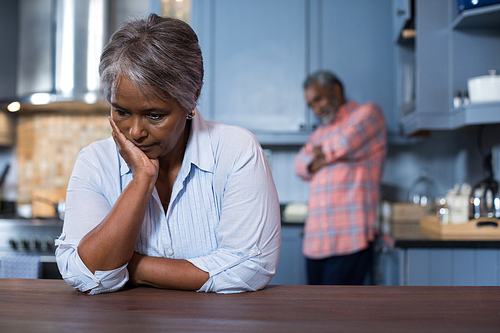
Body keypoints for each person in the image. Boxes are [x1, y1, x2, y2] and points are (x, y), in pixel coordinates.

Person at [55, 14, 281, 295]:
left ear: (191, 97)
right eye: (121, 112)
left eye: (154, 115)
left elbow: (250, 267)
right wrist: (141, 180)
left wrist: (127, 265)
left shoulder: (236, 151)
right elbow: (84, 277)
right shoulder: (95, 162)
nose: (135, 132)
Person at [294, 70, 386, 285]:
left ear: (336, 89)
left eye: (319, 99)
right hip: (315, 243)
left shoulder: (368, 113)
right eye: (311, 105)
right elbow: (299, 165)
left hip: (349, 241)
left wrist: (319, 155)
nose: (316, 109)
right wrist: (325, 156)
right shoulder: (320, 131)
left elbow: (346, 144)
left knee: (339, 316)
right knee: (315, 315)